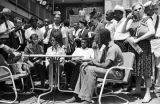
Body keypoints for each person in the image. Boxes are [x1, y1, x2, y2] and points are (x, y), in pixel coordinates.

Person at [65, 28, 123, 104]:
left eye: (98, 37)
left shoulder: (113, 48)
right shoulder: (106, 47)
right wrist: (90, 60)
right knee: (83, 67)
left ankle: (87, 99)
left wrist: (93, 63)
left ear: (103, 37)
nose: (97, 40)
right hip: (108, 70)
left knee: (90, 70)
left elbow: (105, 65)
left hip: (116, 73)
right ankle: (76, 96)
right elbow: (99, 61)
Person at [121, 2, 155, 103]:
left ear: (143, 9)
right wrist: (127, 19)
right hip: (134, 47)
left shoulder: (147, 19)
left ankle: (148, 93)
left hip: (144, 47)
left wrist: (138, 39)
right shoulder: (133, 20)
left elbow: (152, 32)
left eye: (139, 8)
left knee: (146, 71)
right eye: (135, 10)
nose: (137, 11)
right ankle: (138, 89)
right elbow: (123, 31)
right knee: (137, 69)